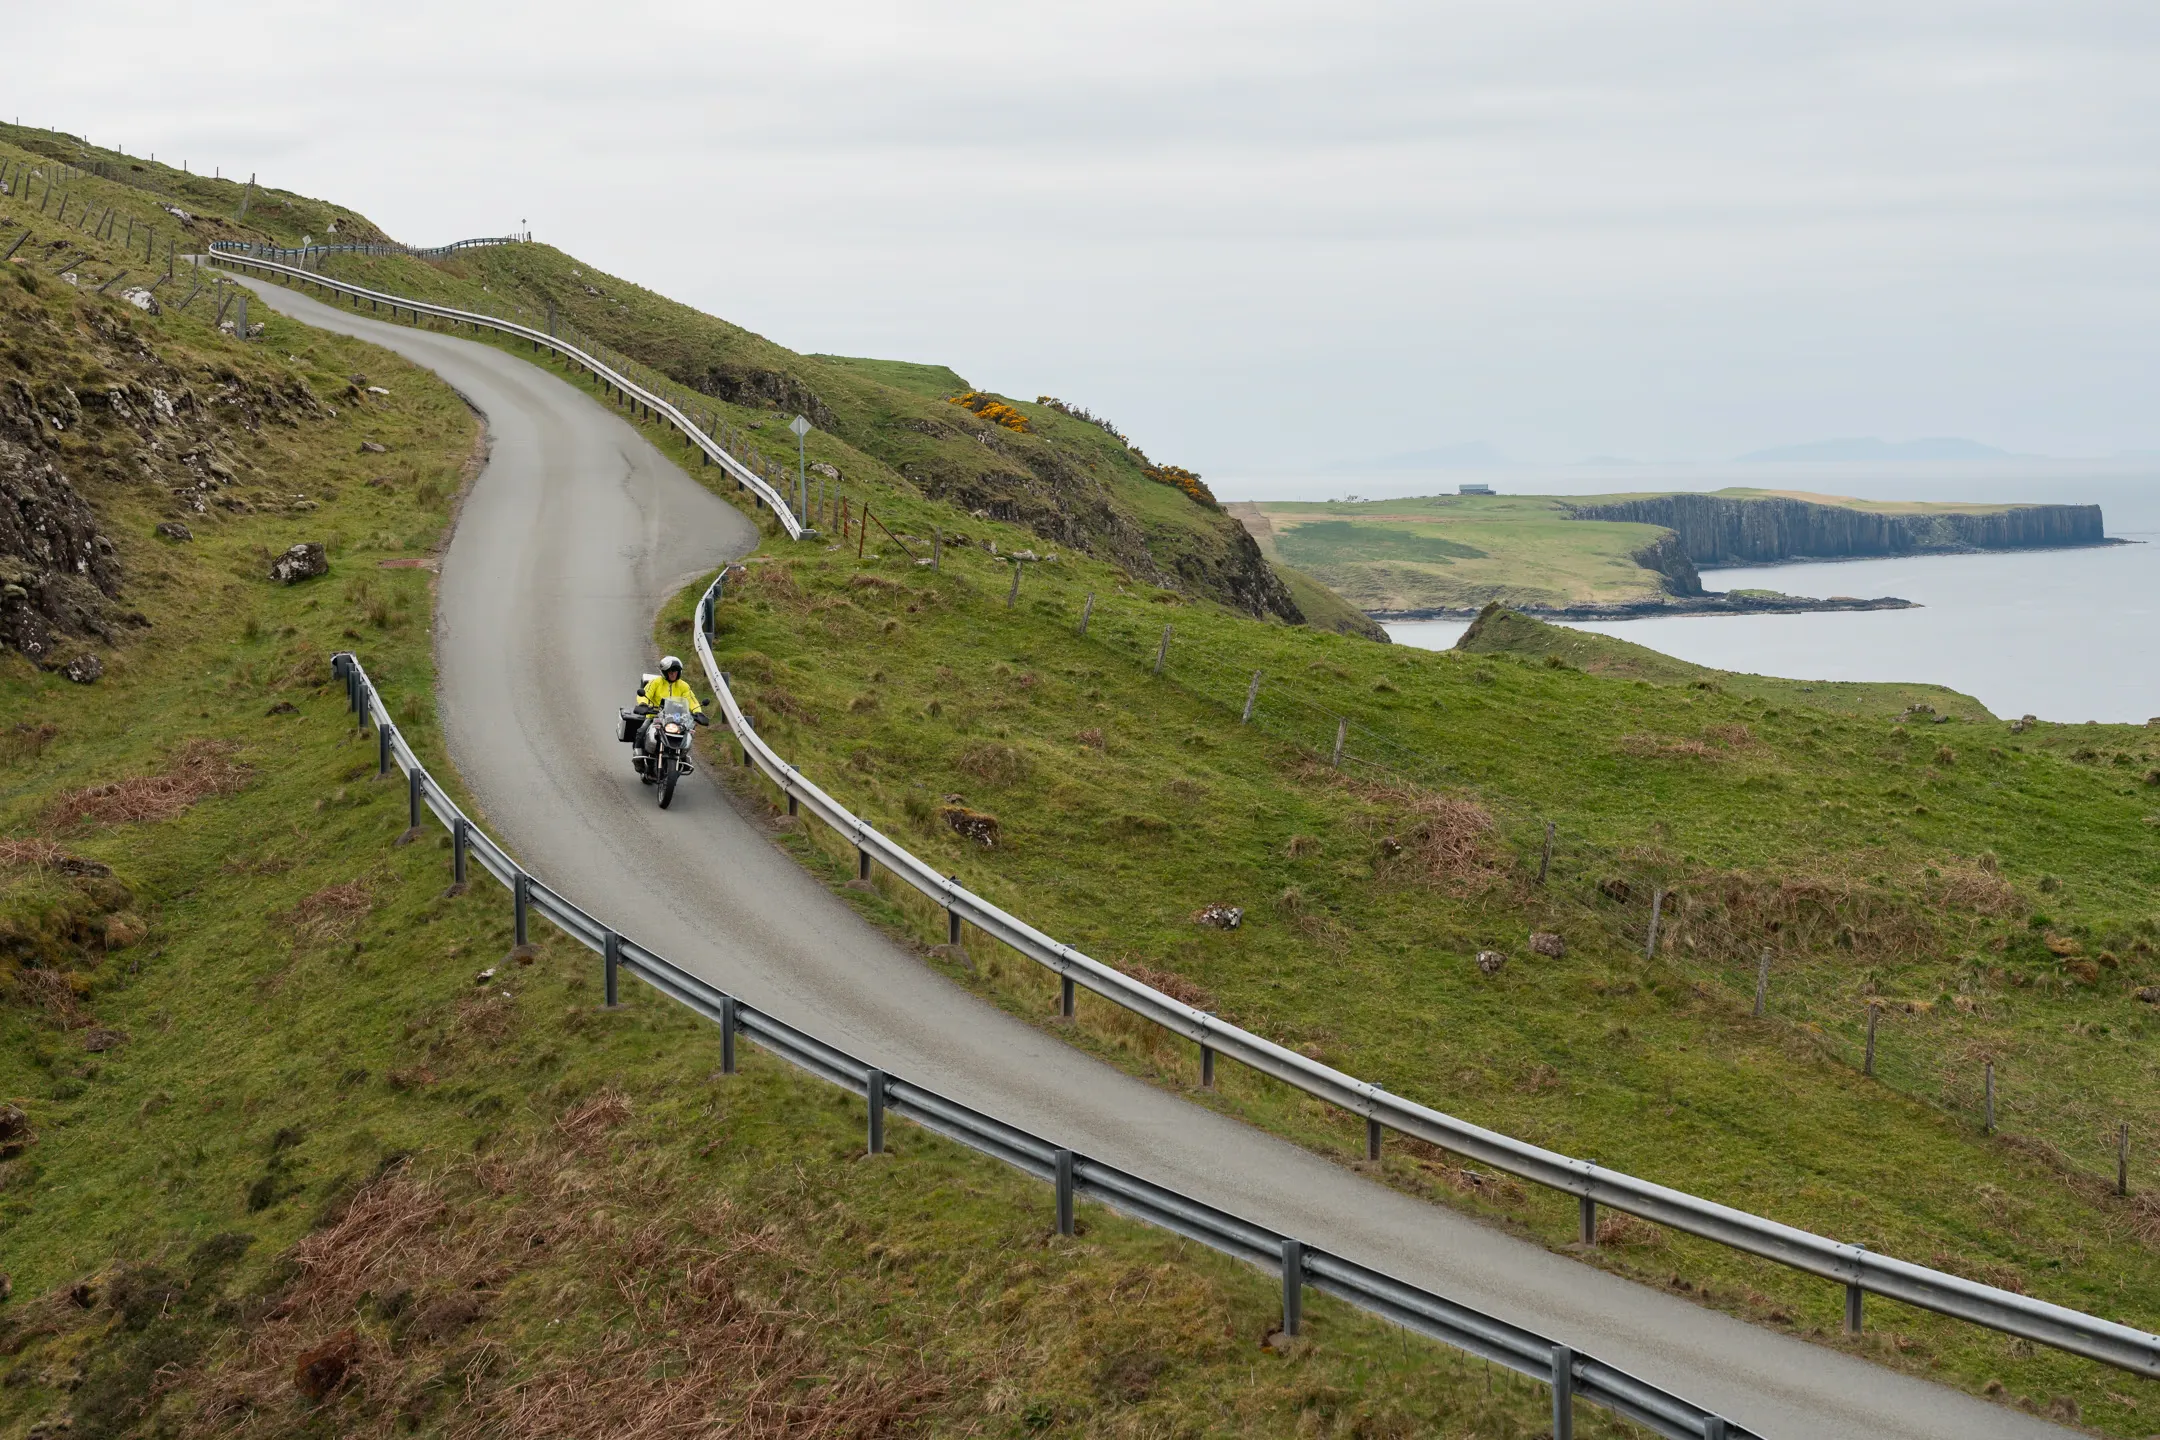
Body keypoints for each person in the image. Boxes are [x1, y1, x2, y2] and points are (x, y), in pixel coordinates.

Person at [635, 656, 709, 781]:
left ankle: (683, 756)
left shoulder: (683, 686)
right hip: (655, 716)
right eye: (670, 671)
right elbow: (645, 694)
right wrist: (643, 704)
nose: (673, 674)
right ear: (664, 672)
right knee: (641, 731)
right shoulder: (656, 682)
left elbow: (692, 700)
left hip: (676, 719)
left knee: (689, 733)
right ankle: (639, 759)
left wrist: (698, 712)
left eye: (675, 671)